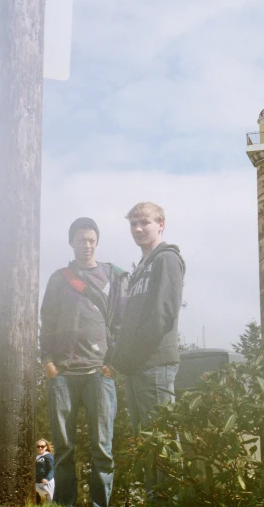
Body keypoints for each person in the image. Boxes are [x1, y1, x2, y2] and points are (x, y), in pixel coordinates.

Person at [39, 217, 128, 507]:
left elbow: (122, 323)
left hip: (99, 374)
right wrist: (48, 361)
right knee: (63, 449)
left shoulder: (112, 277)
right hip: (63, 374)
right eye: (80, 240)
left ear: (97, 242)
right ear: (71, 242)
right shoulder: (59, 278)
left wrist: (113, 363)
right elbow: (47, 321)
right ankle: (65, 503)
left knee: (102, 448)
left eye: (90, 239)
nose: (86, 245)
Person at [106, 201, 185, 503]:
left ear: (161, 225)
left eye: (145, 223)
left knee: (161, 445)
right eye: (133, 224)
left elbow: (162, 316)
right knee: (146, 445)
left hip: (155, 366)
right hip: (136, 368)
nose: (138, 229)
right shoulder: (140, 268)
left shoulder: (167, 259)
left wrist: (128, 359)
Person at [35, 438, 55, 503]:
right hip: (37, 483)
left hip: (46, 483)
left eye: (42, 446)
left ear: (46, 447)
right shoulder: (35, 456)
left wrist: (47, 478)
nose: (40, 448)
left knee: (48, 502)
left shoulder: (48, 456)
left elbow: (52, 468)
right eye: (38, 446)